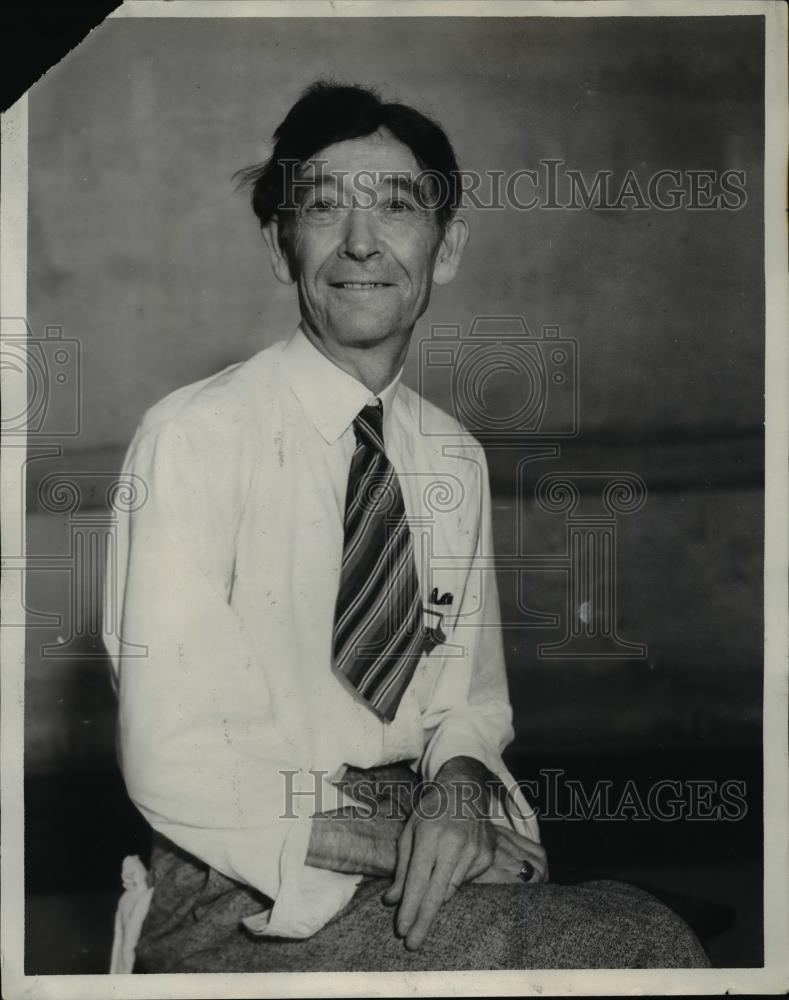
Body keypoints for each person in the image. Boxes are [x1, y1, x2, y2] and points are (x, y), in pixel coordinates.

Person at [105, 81, 708, 972]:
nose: (360, 244)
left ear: (447, 246)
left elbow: (469, 701)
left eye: (395, 208)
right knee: (628, 945)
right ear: (280, 248)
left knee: (632, 931)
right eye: (321, 210)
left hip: (422, 835)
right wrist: (400, 848)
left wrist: (461, 789)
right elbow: (174, 761)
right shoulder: (192, 440)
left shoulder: (450, 458)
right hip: (246, 877)